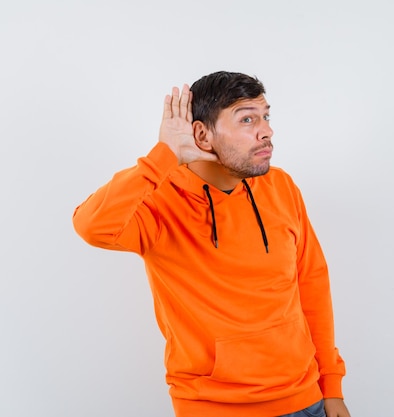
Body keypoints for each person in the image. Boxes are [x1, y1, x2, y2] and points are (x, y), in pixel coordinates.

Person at [72, 71, 351, 417]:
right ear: (202, 134)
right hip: (213, 407)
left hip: (304, 399)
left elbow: (312, 285)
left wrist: (331, 385)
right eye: (247, 119)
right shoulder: (160, 201)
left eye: (265, 116)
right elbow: (91, 226)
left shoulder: (282, 187)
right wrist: (163, 157)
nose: (266, 131)